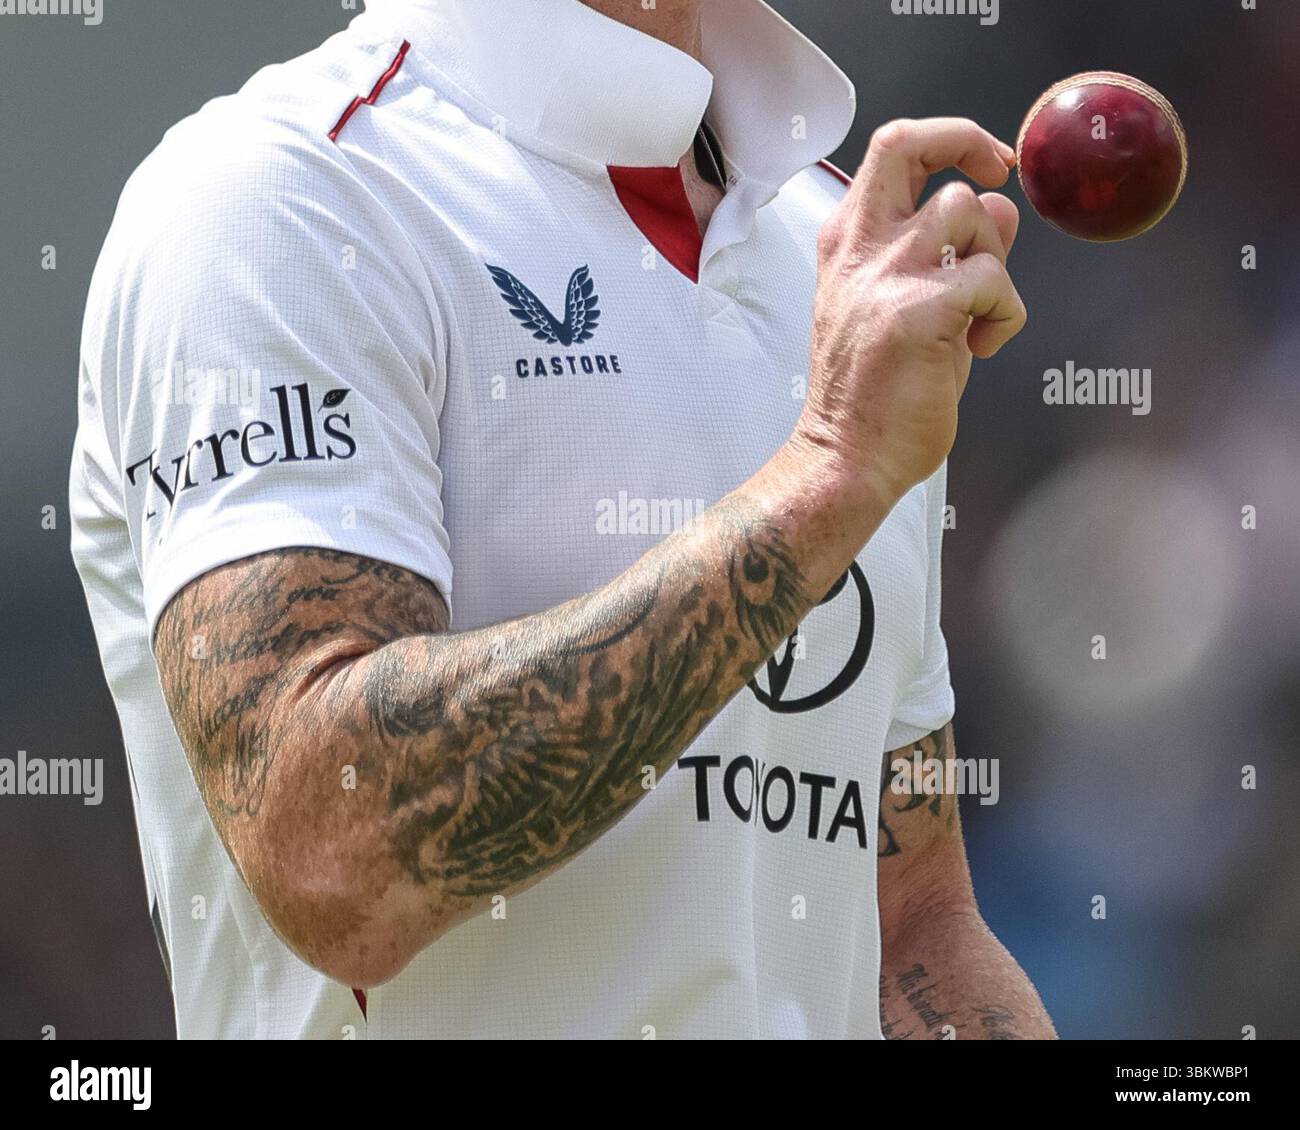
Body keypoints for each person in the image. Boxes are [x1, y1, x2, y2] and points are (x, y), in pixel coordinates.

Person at [71, 0, 1053, 1039]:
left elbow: (912, 924)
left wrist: (833, 468)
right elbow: (333, 855)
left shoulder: (835, 249)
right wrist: (828, 476)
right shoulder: (278, 196)